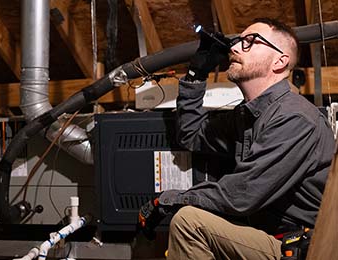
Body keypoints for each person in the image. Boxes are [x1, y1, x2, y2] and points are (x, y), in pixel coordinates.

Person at [138, 17, 335, 260]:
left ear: (280, 61)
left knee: (190, 223)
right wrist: (196, 73)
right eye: (239, 41)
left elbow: (241, 195)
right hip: (270, 237)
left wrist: (169, 200)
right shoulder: (247, 116)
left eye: (251, 42)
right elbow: (192, 134)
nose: (234, 48)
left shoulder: (295, 118)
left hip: (307, 248)